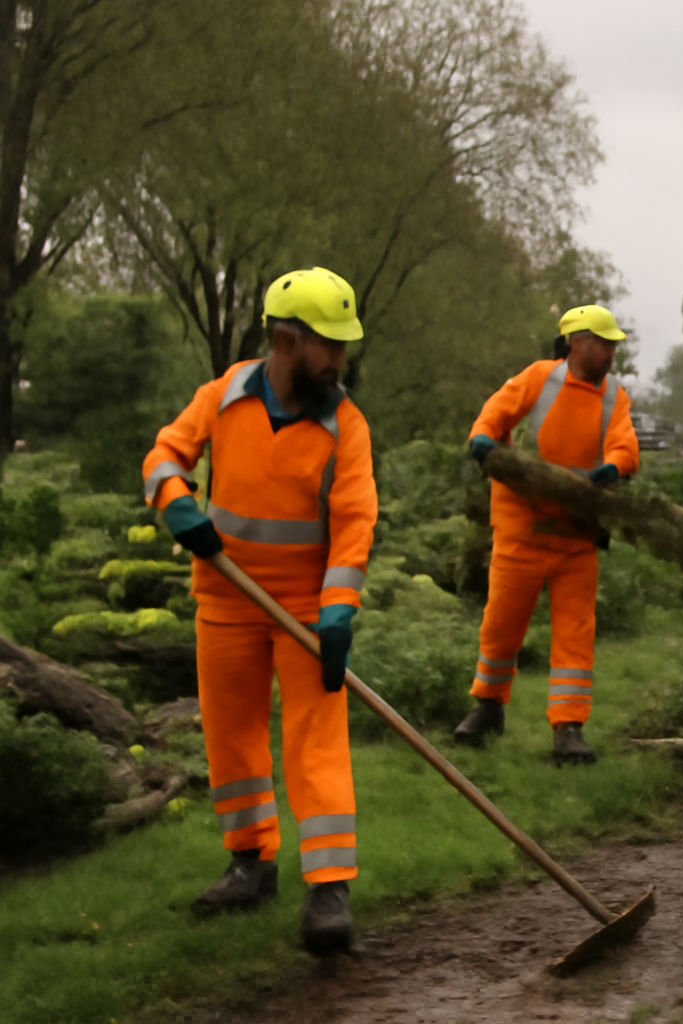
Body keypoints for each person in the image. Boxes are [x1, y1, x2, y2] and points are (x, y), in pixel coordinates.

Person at [142, 267, 377, 954]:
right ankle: (251, 863)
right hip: (225, 595)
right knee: (233, 735)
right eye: (327, 347)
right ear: (284, 340)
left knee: (316, 740)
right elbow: (164, 455)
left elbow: (354, 525)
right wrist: (177, 503)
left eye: (342, 347)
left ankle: (328, 889)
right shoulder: (224, 396)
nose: (338, 360)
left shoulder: (345, 427)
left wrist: (337, 611)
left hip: (305, 609)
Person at [452, 304, 640, 761]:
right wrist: (482, 438)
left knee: (575, 632)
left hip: (576, 538)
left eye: (615, 344)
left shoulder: (614, 397)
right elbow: (496, 412)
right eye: (604, 343)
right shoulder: (539, 379)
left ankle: (568, 728)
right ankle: (488, 707)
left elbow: (626, 445)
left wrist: (612, 469)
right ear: (578, 343)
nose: (613, 352)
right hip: (521, 530)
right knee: (502, 624)